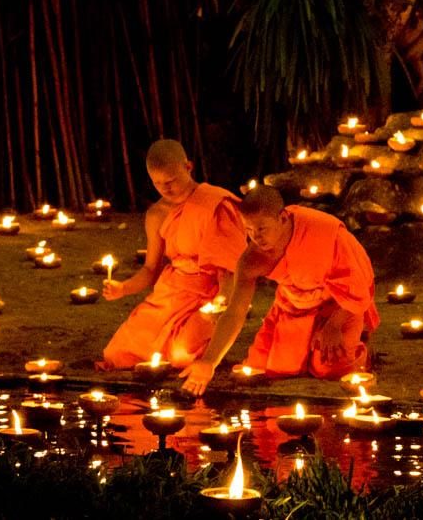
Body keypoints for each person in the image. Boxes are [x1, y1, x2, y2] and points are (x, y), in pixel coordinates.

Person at [181, 186, 379, 395]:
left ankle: (361, 344)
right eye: (248, 230)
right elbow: (235, 312)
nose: (255, 237)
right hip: (292, 305)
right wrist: (209, 361)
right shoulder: (251, 260)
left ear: (283, 218)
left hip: (339, 304)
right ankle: (308, 351)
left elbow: (359, 281)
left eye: (262, 228)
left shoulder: (324, 232)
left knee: (329, 368)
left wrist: (334, 325)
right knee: (268, 367)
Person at [98, 139, 247, 370]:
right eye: (158, 183)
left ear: (188, 167)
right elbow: (150, 270)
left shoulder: (213, 204)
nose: (166, 188)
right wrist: (123, 288)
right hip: (172, 293)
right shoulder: (157, 214)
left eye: (171, 181)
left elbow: (228, 269)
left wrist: (221, 304)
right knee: (117, 354)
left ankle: (208, 343)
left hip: (209, 293)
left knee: (180, 354)